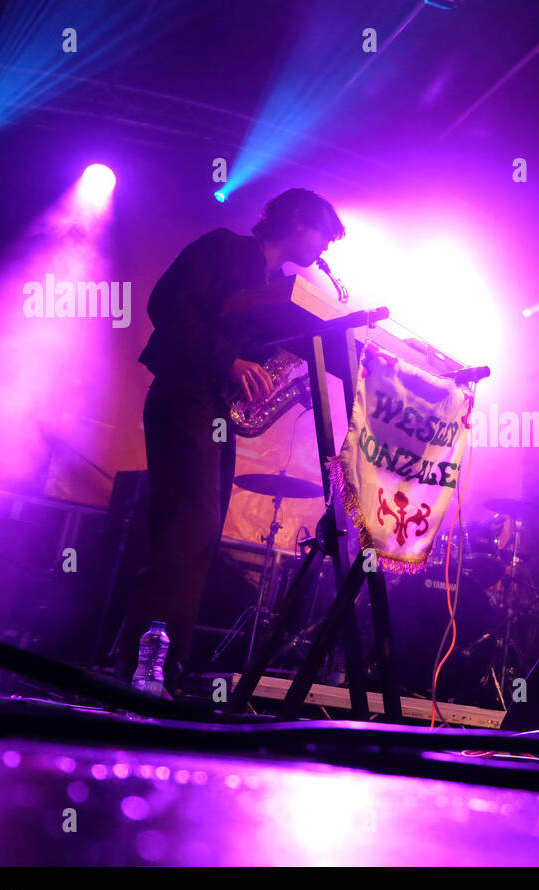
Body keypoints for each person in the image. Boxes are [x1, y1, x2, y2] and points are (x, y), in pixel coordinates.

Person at [110, 188, 345, 692]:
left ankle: (159, 665)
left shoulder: (273, 282)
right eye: (324, 233)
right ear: (298, 220)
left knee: (199, 534)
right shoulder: (224, 247)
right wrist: (229, 361)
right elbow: (164, 301)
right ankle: (139, 667)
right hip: (184, 393)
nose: (325, 247)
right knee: (187, 528)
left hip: (214, 407)